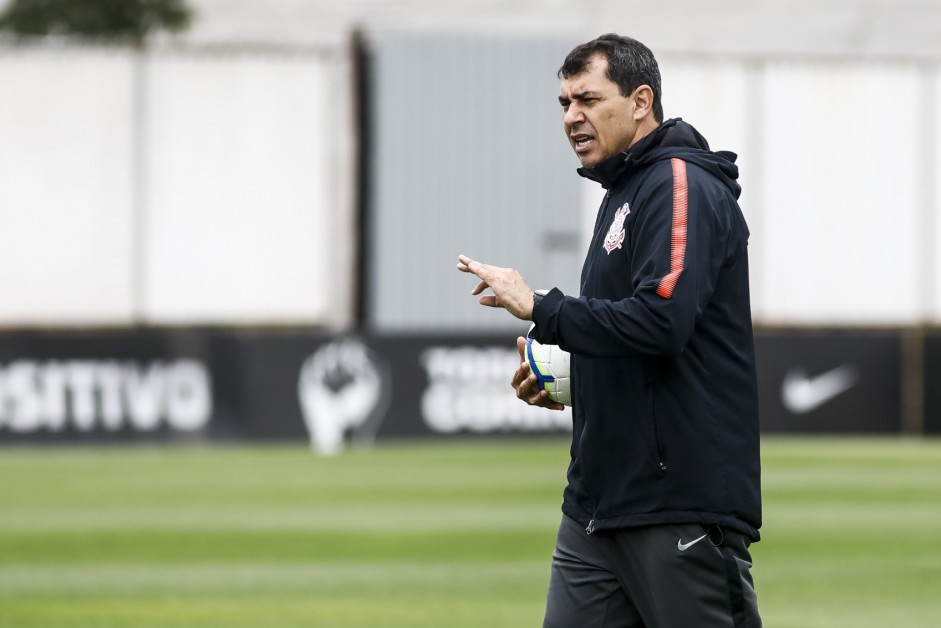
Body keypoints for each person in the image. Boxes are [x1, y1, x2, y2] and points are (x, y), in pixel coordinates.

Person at [456, 33, 762, 627]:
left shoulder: (680, 183)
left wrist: (542, 306)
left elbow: (662, 322)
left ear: (641, 100)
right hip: (596, 509)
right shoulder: (623, 190)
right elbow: (630, 337)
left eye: (589, 99)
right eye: (565, 103)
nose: (573, 117)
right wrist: (569, 380)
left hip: (675, 508)